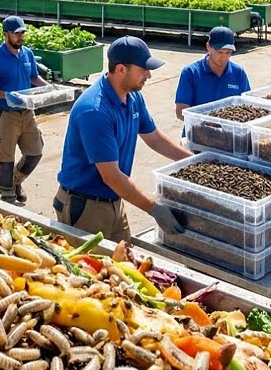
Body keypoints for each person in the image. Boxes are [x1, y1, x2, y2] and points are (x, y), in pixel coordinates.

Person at [55, 36, 192, 240]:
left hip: (114, 200)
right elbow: (111, 175)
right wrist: (154, 209)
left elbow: (154, 138)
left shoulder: (133, 96)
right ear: (121, 69)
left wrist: (193, 162)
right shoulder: (95, 111)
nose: (149, 75)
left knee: (125, 264)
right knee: (91, 268)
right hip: (86, 207)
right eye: (143, 69)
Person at [0, 15, 48, 205]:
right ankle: (7, 196)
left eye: (22, 33)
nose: (20, 37)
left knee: (35, 152)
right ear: (6, 34)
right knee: (6, 158)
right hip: (5, 115)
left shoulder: (27, 54)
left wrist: (49, 87)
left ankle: (16, 181)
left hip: (27, 112)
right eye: (16, 34)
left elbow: (33, 77)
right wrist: (6, 95)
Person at [174, 26, 252, 121]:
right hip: (197, 132)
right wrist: (207, 124)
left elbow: (248, 105)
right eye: (220, 52)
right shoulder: (191, 72)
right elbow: (180, 111)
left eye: (228, 52)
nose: (224, 57)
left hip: (229, 131)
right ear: (208, 47)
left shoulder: (238, 72)